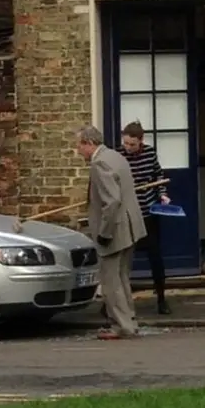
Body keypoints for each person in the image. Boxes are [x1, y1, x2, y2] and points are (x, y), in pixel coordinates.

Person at [75, 125, 147, 340]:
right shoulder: (116, 156)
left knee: (111, 281)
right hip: (130, 227)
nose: (77, 150)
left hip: (114, 229)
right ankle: (129, 321)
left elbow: (111, 200)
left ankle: (121, 326)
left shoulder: (99, 163)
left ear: (89, 143)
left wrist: (104, 232)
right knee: (122, 277)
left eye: (79, 146)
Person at [118, 121, 172, 315]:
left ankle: (161, 299)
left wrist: (162, 193)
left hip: (148, 213)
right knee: (122, 260)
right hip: (127, 215)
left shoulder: (149, 153)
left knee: (155, 256)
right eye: (125, 143)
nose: (128, 148)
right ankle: (116, 303)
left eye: (132, 144)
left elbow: (158, 175)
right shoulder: (118, 156)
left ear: (141, 141)